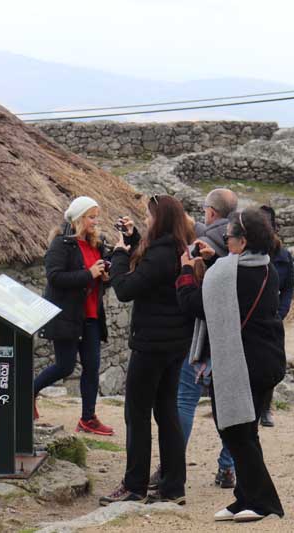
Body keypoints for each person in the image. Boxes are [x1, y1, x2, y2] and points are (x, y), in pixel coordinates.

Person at [177, 207, 286, 522]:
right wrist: (214, 261)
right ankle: (245, 498)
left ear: (243, 240)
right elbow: (232, 292)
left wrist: (186, 272)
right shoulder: (265, 266)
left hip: (241, 365)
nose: (225, 241)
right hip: (266, 361)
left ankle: (265, 503)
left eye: (228, 237)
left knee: (236, 433)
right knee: (243, 433)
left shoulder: (229, 273)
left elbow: (195, 305)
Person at [99, 194, 195, 506]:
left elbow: (126, 289)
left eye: (149, 216)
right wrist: (133, 238)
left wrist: (119, 254)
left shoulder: (161, 255)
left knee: (137, 413)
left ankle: (134, 485)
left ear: (161, 219)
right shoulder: (178, 248)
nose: (146, 220)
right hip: (174, 344)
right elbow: (152, 267)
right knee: (166, 412)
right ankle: (173, 486)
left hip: (152, 345)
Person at [157, 188, 239, 490]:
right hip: (233, 337)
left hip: (200, 335)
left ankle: (171, 467)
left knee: (185, 400)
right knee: (229, 407)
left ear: (212, 212)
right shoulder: (240, 244)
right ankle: (228, 467)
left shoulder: (201, 243)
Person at [36, 196, 114, 436]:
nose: (95, 221)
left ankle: (88, 419)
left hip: (91, 316)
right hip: (67, 317)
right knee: (65, 366)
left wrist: (105, 278)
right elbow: (55, 277)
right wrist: (88, 274)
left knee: (92, 368)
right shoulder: (61, 244)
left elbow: (98, 280)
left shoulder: (96, 244)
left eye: (96, 217)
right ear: (78, 218)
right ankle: (27, 392)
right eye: (91, 217)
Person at [258, 205, 294, 428]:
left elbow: (289, 288)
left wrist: (281, 313)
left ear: (274, 227)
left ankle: (266, 409)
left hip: (273, 320)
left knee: (270, 364)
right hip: (251, 319)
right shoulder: (248, 254)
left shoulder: (284, 256)